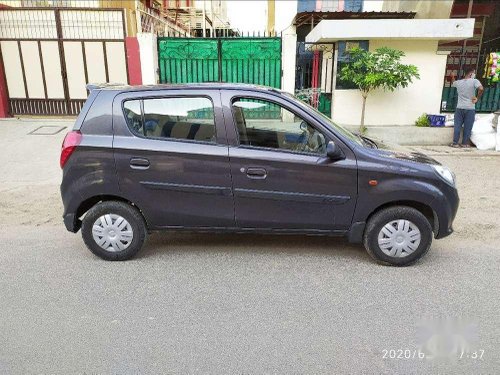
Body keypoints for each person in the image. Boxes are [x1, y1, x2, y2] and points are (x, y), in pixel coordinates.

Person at [450, 68, 484, 148]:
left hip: (459, 107)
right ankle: (464, 143)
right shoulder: (474, 81)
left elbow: (453, 83)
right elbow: (481, 88)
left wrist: (452, 76)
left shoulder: (459, 82)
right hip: (470, 108)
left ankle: (455, 143)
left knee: (457, 126)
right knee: (468, 127)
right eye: (474, 73)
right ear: (471, 74)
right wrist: (477, 98)